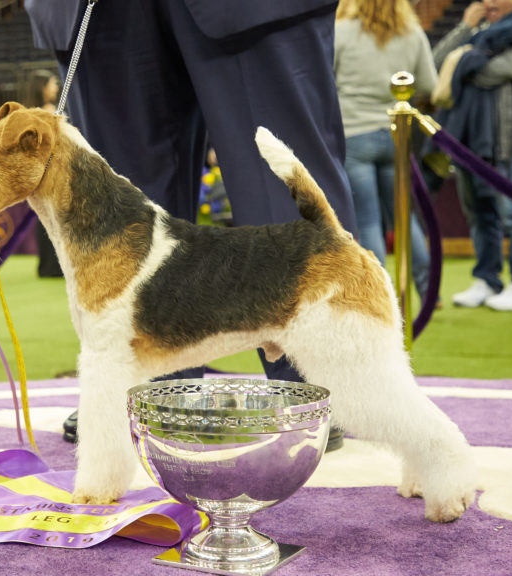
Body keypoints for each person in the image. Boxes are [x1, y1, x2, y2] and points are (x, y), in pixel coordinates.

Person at [26, 0, 358, 450]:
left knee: (285, 183)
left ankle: (319, 385)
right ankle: (148, 388)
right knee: (120, 202)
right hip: (96, 10)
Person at [434, 0, 512, 311]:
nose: (487, 2)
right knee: (479, 210)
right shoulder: (480, 32)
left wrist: (460, 62)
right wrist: (465, 29)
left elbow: (500, 70)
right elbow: (436, 64)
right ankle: (487, 279)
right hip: (471, 135)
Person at [334, 0, 436, 300]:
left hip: (354, 134)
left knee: (367, 221)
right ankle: (429, 292)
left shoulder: (340, 31)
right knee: (404, 218)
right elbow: (429, 84)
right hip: (397, 137)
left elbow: (324, 82)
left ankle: (379, 294)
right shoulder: (413, 33)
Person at [25, 68, 63, 278]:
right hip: (53, 170)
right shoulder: (49, 111)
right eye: (52, 83)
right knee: (56, 218)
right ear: (43, 88)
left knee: (43, 218)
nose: (55, 87)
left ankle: (46, 266)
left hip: (38, 171)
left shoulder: (27, 114)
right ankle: (55, 267)